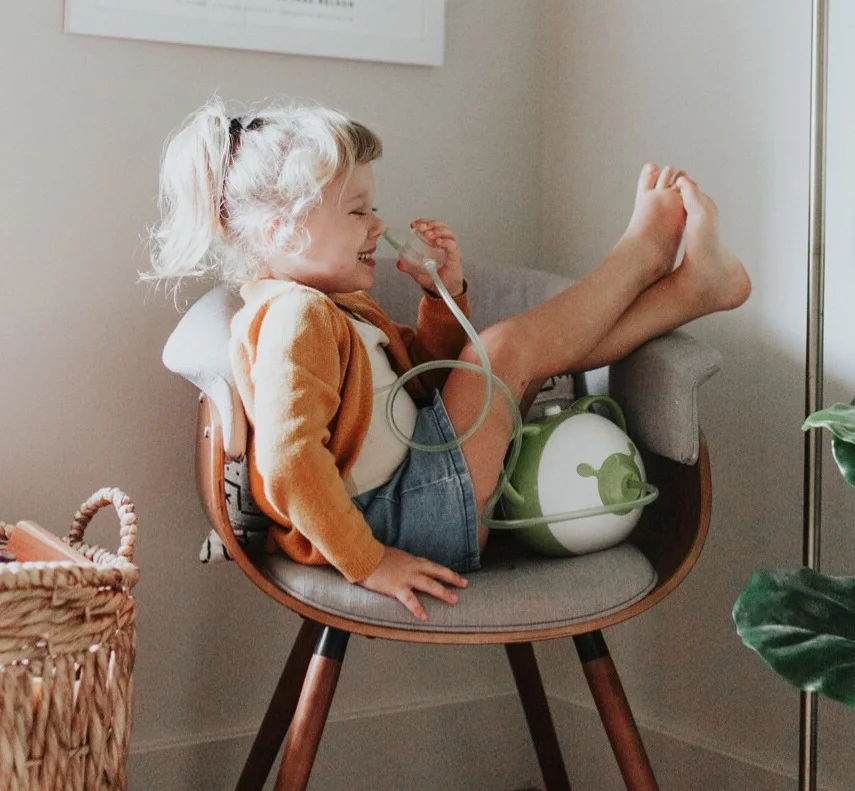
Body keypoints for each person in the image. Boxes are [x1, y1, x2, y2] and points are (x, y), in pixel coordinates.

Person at [147, 97, 750, 620]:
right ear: (281, 232)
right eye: (357, 211)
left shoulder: (334, 310)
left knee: (513, 358)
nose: (378, 226)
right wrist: (371, 561)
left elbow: (425, 383)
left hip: (418, 493)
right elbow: (288, 464)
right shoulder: (295, 319)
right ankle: (641, 255)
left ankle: (689, 291)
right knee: (505, 351)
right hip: (404, 521)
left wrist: (440, 297)